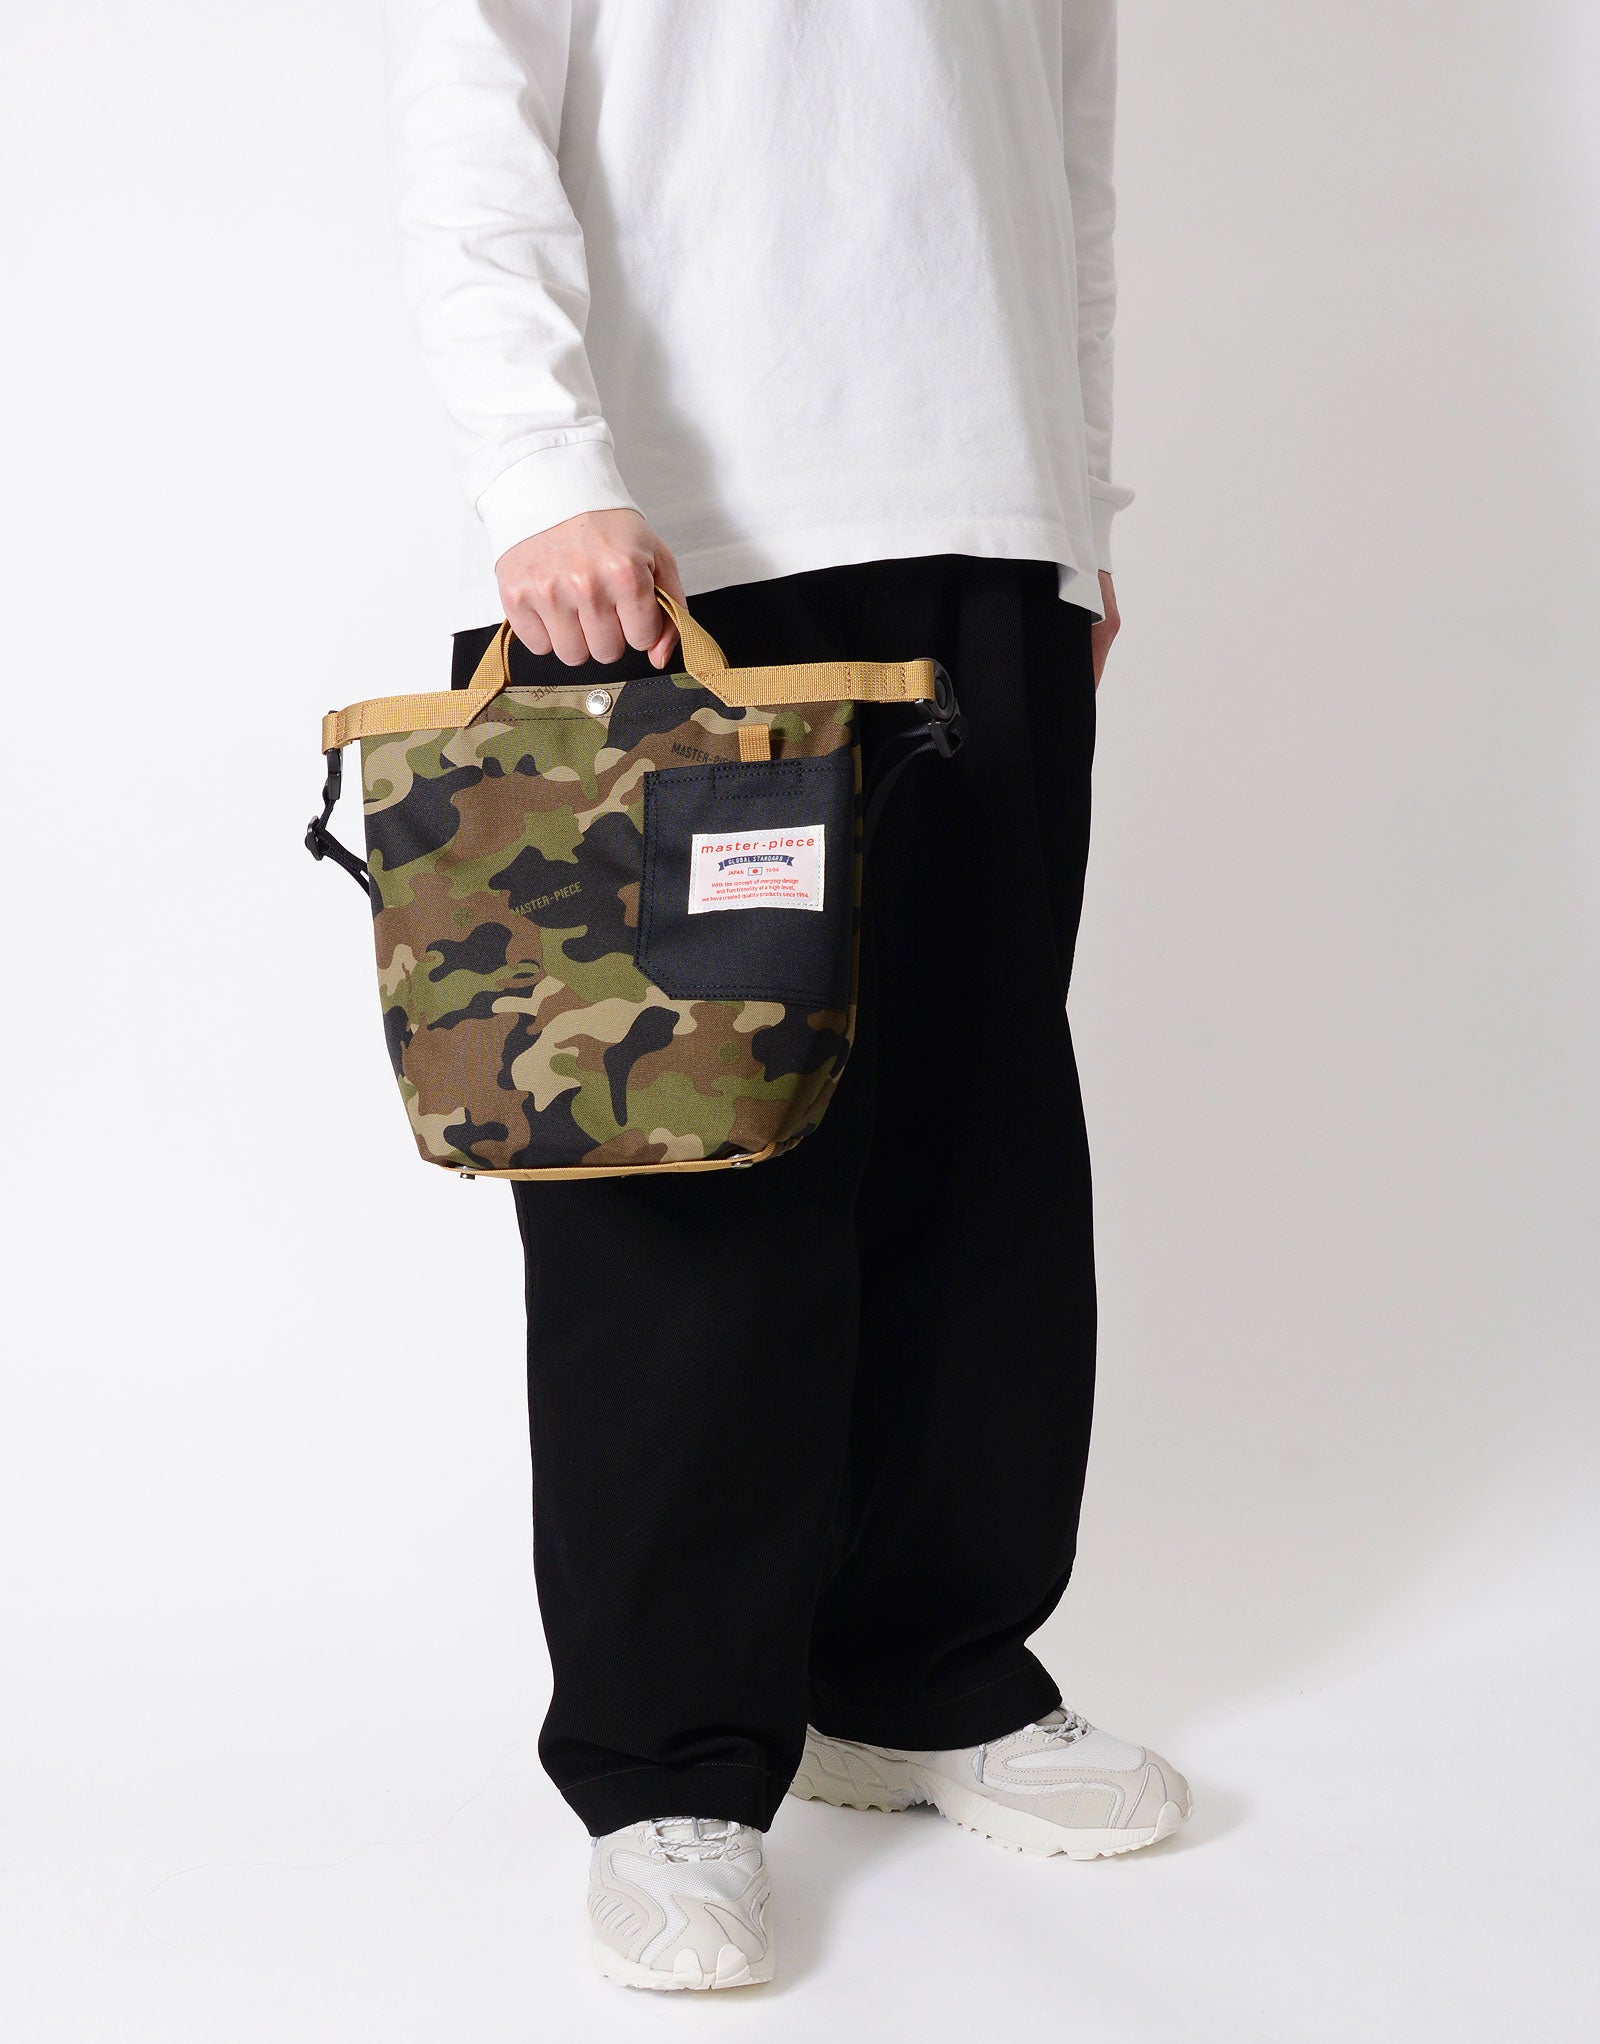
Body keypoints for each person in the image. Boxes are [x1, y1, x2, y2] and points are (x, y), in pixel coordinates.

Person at [385, 0, 1189, 1992]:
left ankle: (918, 1676)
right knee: (674, 1170)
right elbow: (468, 92)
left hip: (990, 528)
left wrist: (1076, 512)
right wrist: (539, 462)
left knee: (976, 1146)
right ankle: (667, 1763)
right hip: (674, 539)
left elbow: (1065, 152)